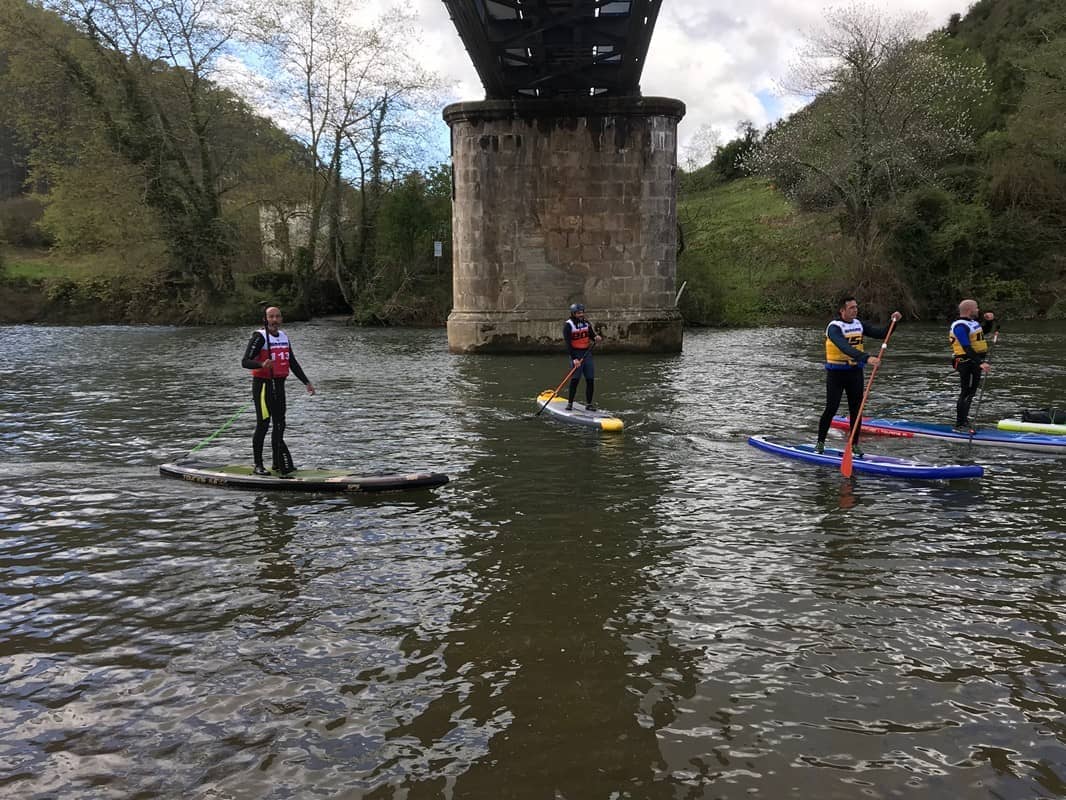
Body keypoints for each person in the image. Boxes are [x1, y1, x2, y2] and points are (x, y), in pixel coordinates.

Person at [816, 296, 903, 455]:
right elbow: (845, 347)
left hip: (855, 373)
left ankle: (854, 445)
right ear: (842, 310)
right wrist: (867, 358)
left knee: (856, 409)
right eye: (851, 308)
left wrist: (894, 322)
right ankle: (820, 442)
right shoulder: (834, 328)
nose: (855, 310)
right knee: (831, 408)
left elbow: (882, 333)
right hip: (836, 374)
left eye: (856, 307)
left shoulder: (859, 324)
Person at [241, 306, 315, 475]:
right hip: (263, 386)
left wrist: (306, 382)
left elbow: (292, 362)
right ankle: (258, 465)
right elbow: (245, 361)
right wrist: (261, 364)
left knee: (280, 424)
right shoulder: (259, 337)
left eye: (277, 316)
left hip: (279, 385)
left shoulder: (283, 337)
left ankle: (277, 462)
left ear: (281, 319)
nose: (275, 320)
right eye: (271, 317)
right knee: (263, 424)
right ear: (265, 319)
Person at [949, 299, 995, 430]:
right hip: (966, 362)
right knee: (966, 392)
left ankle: (965, 421)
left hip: (974, 362)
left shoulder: (972, 323)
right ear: (970, 310)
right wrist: (981, 362)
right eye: (976, 308)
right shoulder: (960, 326)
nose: (978, 310)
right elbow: (966, 347)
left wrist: (989, 321)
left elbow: (983, 332)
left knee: (971, 392)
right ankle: (960, 423)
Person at [563, 303, 603, 411]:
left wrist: (596, 338)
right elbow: (568, 344)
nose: (581, 314)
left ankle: (589, 404)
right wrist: (574, 359)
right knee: (575, 379)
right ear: (573, 314)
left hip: (586, 354)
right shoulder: (568, 325)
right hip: (576, 354)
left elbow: (591, 335)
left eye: (582, 312)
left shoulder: (586, 323)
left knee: (590, 379)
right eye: (578, 313)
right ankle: (570, 403)